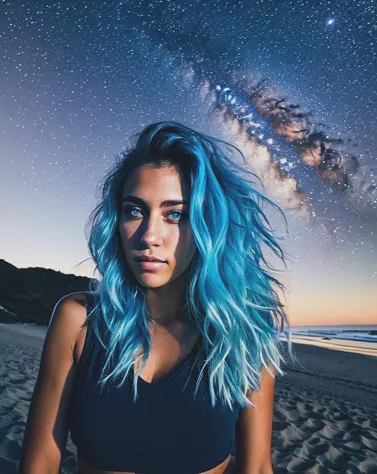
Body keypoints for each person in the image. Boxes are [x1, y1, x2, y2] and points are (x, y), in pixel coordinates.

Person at [19, 121, 296, 474]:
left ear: (206, 225)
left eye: (175, 215)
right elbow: (40, 461)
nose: (150, 235)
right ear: (116, 221)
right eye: (135, 210)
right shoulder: (78, 321)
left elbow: (256, 467)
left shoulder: (245, 332)